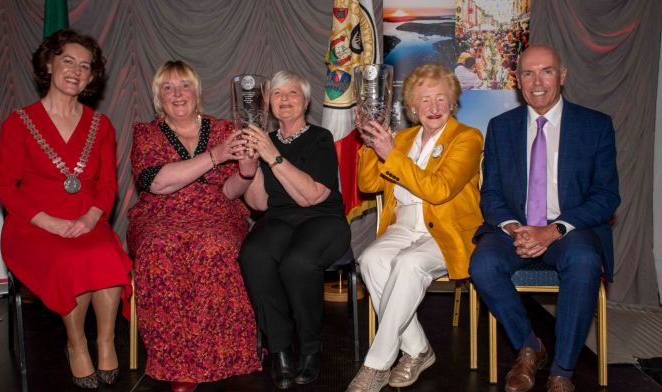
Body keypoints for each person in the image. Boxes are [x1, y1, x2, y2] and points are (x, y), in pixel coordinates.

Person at [469, 44, 620, 392]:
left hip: (569, 229)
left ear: (562, 75)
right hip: (515, 229)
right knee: (483, 264)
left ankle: (562, 371)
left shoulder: (595, 125)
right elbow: (490, 193)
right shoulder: (500, 127)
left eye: (546, 71)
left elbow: (607, 195)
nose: (537, 82)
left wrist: (554, 230)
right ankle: (530, 347)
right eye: (528, 73)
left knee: (584, 259)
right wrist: (512, 227)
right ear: (517, 80)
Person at [0, 29, 132, 389]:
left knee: (109, 256)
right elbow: (5, 187)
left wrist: (90, 216)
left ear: (91, 77)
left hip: (87, 218)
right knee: (68, 261)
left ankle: (104, 340)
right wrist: (50, 223)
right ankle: (76, 344)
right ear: (49, 64)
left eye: (85, 66)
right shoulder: (18, 123)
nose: (76, 71)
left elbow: (106, 186)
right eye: (68, 61)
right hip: (33, 224)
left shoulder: (101, 125)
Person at [345, 64, 484, 392]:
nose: (433, 107)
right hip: (405, 226)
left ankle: (375, 365)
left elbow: (439, 189)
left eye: (441, 99)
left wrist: (390, 154)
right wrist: (369, 145)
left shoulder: (467, 138)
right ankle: (418, 350)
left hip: (445, 231)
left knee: (409, 264)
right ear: (411, 107)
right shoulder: (403, 138)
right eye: (425, 100)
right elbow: (368, 184)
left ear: (452, 103)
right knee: (370, 260)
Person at [127, 60, 260, 392]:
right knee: (161, 247)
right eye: (168, 87)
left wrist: (246, 171)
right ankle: (179, 363)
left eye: (184, 85)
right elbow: (154, 183)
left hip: (216, 212)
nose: (177, 93)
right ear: (158, 95)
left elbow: (230, 190)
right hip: (159, 215)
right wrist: (215, 156)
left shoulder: (225, 128)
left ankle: (228, 353)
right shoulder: (146, 133)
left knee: (213, 246)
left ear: (197, 91)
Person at [238, 70, 351, 390]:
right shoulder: (265, 140)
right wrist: (250, 168)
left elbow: (312, 196)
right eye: (277, 94)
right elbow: (259, 204)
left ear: (306, 102)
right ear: (268, 102)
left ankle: (312, 349)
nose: (284, 100)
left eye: (292, 94)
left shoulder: (320, 138)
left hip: (323, 219)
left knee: (297, 263)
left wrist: (272, 157)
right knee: (253, 254)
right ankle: (280, 349)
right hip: (279, 220)